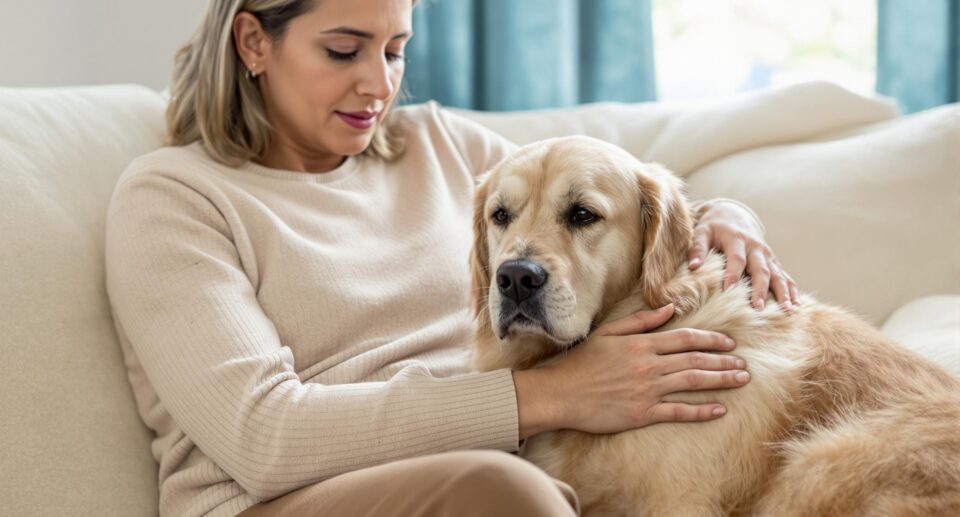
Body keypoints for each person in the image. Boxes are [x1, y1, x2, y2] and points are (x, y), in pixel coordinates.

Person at [104, 0, 801, 515]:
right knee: (505, 491)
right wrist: (555, 394)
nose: (379, 85)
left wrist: (726, 215)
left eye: (394, 50)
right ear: (254, 41)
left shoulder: (435, 143)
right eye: (344, 51)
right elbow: (262, 438)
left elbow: (595, 194)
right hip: (284, 498)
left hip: (495, 465)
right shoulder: (175, 197)